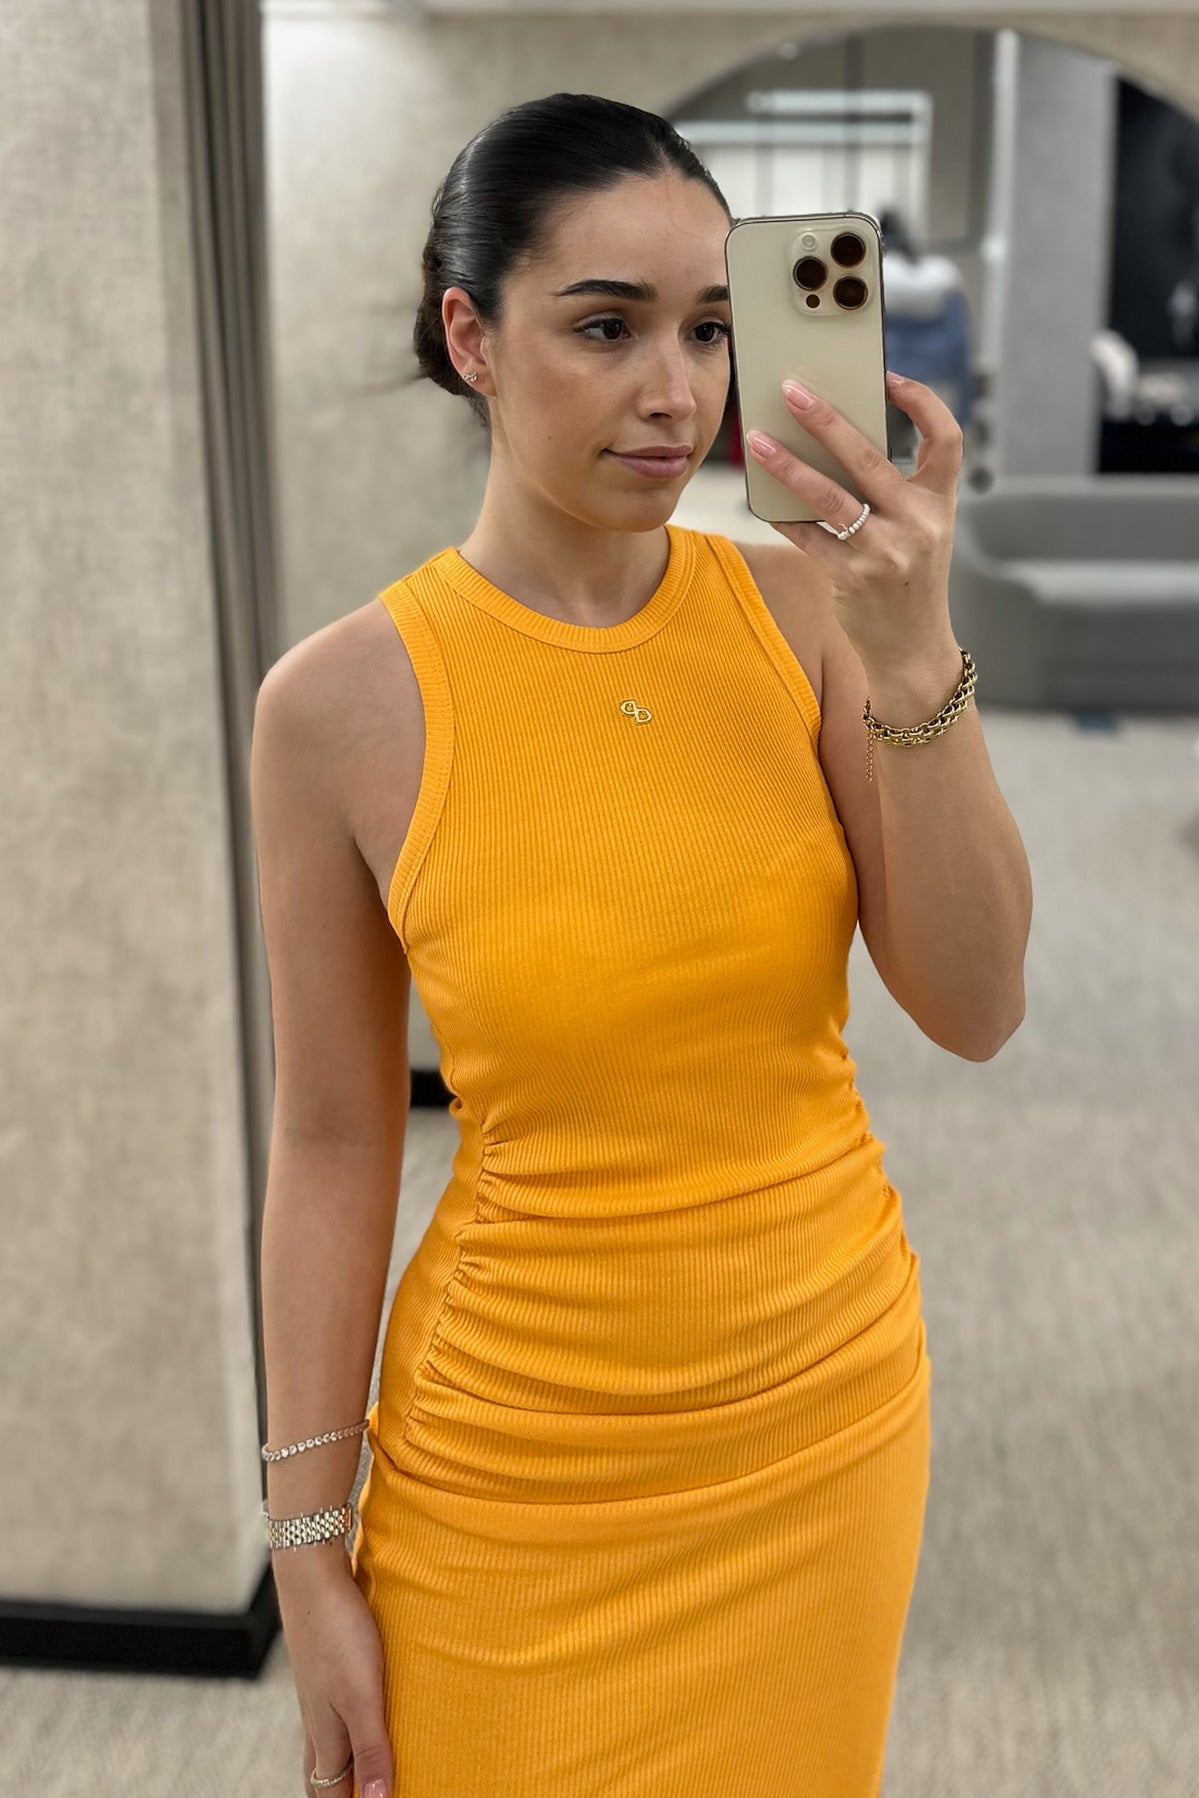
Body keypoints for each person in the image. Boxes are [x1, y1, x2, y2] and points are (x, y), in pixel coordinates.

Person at [252, 94, 972, 1798]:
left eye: (710, 328)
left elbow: (975, 998)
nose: (676, 391)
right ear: (470, 337)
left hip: (822, 1417)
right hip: (514, 1467)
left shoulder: (803, 616)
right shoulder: (338, 706)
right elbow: (335, 1136)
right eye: (604, 327)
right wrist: (306, 1540)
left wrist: (909, 646)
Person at [877, 204, 974, 460]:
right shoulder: (942, 276)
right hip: (935, 371)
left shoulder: (879, 275)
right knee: (936, 446)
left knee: (889, 449)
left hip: (889, 372)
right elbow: (960, 338)